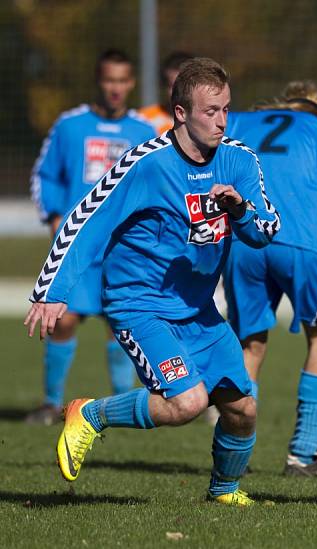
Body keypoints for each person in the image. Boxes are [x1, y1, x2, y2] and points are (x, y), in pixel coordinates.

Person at [25, 57, 281, 506]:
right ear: (180, 112)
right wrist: (52, 291)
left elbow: (265, 230)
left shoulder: (240, 160)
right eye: (210, 111)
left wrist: (239, 210)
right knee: (186, 403)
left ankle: (224, 492)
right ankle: (90, 413)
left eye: (226, 109)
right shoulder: (145, 164)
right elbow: (86, 223)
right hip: (139, 304)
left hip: (199, 310)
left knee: (243, 409)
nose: (221, 121)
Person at [223, 81, 317, 478]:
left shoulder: (238, 121)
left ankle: (234, 454)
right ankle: (303, 456)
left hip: (244, 244)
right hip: (302, 246)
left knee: (249, 346)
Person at [27, 49, 156, 425]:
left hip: (123, 247)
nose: (115, 88)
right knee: (63, 320)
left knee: (122, 324)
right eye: (108, 80)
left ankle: (122, 406)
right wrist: (52, 216)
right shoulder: (70, 125)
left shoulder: (143, 133)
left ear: (130, 83)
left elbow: (154, 185)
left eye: (122, 81)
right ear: (98, 81)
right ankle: (52, 404)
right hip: (77, 245)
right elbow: (44, 175)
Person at [139, 51, 194, 135]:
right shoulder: (143, 119)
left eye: (184, 86)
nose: (178, 92)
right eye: (172, 86)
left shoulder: (209, 121)